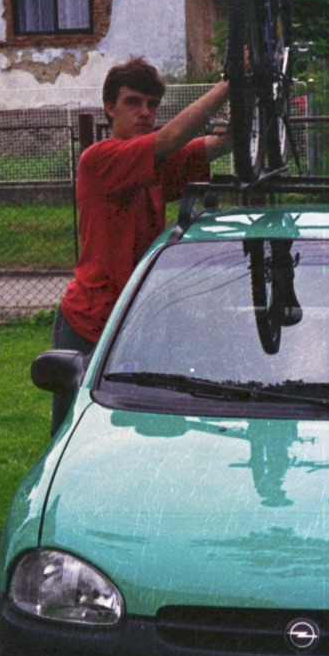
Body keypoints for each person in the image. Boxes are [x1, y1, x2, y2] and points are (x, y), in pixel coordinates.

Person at [49, 58, 230, 434]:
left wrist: (246, 96)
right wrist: (225, 87)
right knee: (73, 432)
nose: (145, 112)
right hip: (90, 320)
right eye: (133, 102)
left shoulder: (154, 166)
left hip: (135, 318)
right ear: (109, 107)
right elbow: (170, 139)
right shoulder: (100, 159)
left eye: (152, 104)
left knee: (136, 428)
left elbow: (216, 146)